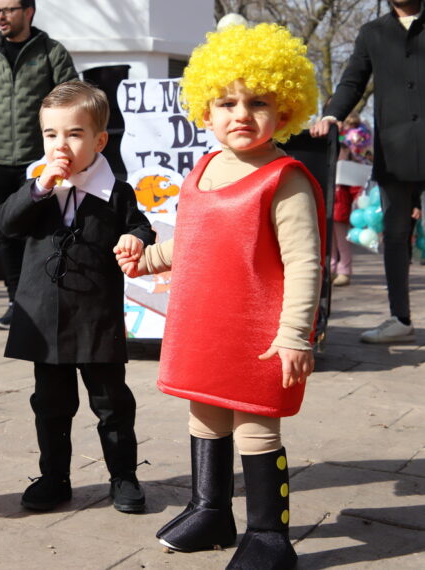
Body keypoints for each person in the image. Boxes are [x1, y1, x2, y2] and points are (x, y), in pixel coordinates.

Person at [117, 23, 323, 569]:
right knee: (205, 415)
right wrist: (148, 258)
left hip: (260, 334)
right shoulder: (203, 168)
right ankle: (210, 509)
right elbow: (191, 243)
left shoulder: (285, 179)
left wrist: (294, 334)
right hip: (204, 325)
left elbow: (305, 262)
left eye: (258, 101)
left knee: (256, 423)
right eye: (226, 101)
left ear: (286, 111)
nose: (241, 113)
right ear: (205, 110)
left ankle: (268, 536)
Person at [0, 80, 155, 515]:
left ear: (99, 140)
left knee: (112, 403)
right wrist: (39, 187)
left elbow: (142, 226)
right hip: (45, 317)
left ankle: (123, 475)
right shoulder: (37, 184)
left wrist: (135, 240)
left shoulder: (116, 191)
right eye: (51, 135)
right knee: (50, 404)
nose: (60, 144)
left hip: (96, 317)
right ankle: (54, 477)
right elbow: (7, 223)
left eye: (74, 134)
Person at [0, 0, 77, 331]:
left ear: (29, 12)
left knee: (43, 233)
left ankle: (45, 299)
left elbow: (71, 100)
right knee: (6, 233)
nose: (1, 16)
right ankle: (16, 304)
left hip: (37, 163)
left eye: (9, 9)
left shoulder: (51, 51)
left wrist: (57, 151)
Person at [310, 0, 423, 343]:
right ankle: (399, 317)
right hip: (395, 153)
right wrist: (333, 114)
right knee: (395, 234)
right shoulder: (372, 33)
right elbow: (353, 81)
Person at [331, 114, 372, 287]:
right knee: (330, 244)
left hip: (340, 210)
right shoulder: (331, 165)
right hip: (328, 208)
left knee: (342, 242)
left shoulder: (350, 167)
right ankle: (330, 269)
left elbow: (356, 189)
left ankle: (344, 271)